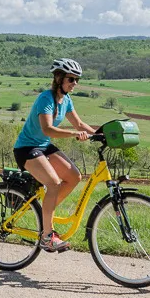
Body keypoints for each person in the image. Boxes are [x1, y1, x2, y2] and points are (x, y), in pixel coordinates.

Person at [13, 59, 94, 252]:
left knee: (74, 177)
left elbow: (80, 124)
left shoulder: (66, 100)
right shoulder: (46, 99)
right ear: (59, 78)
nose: (75, 83)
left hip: (44, 146)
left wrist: (100, 135)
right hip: (27, 148)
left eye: (77, 80)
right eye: (71, 79)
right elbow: (48, 129)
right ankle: (47, 236)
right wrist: (75, 135)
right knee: (54, 183)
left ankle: (44, 215)